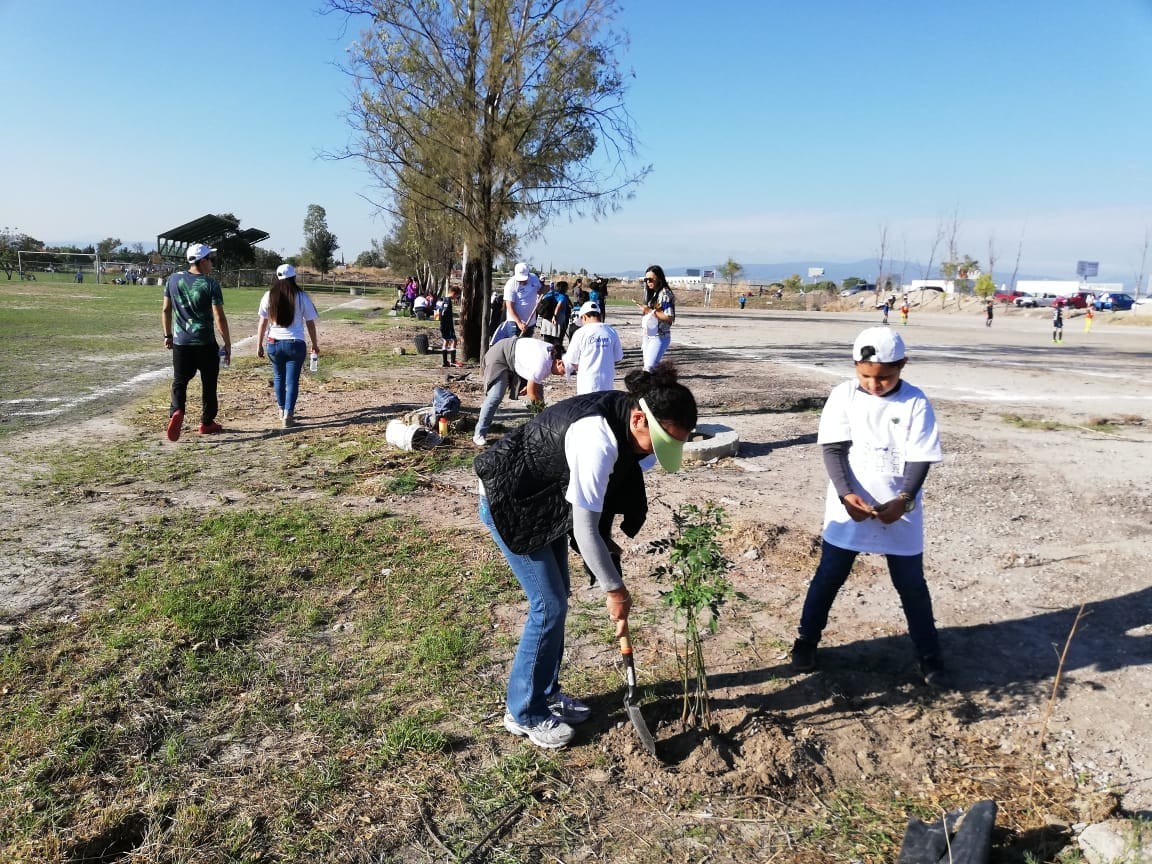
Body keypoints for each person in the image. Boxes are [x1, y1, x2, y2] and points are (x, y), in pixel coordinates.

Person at [474, 362, 697, 748]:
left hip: (543, 500)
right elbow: (584, 529)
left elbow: (594, 514)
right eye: (660, 442)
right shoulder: (599, 439)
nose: (658, 454)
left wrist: (608, 550)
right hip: (509, 501)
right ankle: (523, 711)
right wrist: (615, 589)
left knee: (557, 600)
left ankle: (546, 692)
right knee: (549, 605)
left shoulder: (624, 411)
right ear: (640, 420)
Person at [791, 327, 947, 687]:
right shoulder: (843, 396)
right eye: (866, 376)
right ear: (854, 367)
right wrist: (847, 495)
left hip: (899, 509)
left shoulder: (915, 402)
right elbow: (832, 450)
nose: (875, 385)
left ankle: (929, 655)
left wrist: (904, 499)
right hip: (850, 506)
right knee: (829, 575)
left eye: (885, 377)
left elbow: (921, 457)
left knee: (911, 584)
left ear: (902, 366)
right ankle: (805, 641)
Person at [162, 243, 232, 441]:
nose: (212, 263)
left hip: (181, 343)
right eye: (211, 259)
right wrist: (227, 343)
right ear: (202, 261)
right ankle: (207, 422)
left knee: (180, 381)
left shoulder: (173, 280)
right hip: (205, 343)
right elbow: (219, 317)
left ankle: (177, 411)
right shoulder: (210, 284)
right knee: (209, 384)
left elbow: (166, 310)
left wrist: (167, 335)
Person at [256, 264, 320, 429]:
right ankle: (288, 415)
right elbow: (310, 323)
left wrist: (259, 344)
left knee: (278, 378)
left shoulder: (268, 296)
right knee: (292, 381)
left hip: (274, 343)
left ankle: (280, 409)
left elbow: (262, 322)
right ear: (294, 278)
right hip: (295, 343)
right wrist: (314, 344)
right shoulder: (301, 296)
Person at [473, 336, 565, 446]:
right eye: (564, 372)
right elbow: (532, 392)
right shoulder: (543, 363)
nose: (562, 376)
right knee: (496, 395)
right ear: (559, 362)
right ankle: (479, 433)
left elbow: (532, 370)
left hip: (515, 355)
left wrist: (531, 386)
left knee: (538, 393)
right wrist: (542, 412)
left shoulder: (552, 355)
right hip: (500, 355)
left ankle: (541, 430)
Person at [562, 301, 623, 395]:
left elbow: (572, 360)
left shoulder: (580, 333)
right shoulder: (611, 331)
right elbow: (618, 358)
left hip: (587, 385)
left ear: (584, 317)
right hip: (607, 385)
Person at [640, 265, 676, 371]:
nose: (648, 282)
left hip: (660, 336)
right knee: (648, 367)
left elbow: (669, 317)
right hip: (649, 335)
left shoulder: (664, 294)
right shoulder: (653, 293)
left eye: (650, 279)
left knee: (649, 368)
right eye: (646, 280)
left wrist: (650, 312)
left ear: (659, 279)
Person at [497, 262, 543, 341]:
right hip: (514, 322)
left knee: (526, 345)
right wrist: (519, 322)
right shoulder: (510, 284)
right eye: (520, 279)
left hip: (530, 322)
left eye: (524, 279)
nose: (522, 281)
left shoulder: (534, 278)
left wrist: (545, 290)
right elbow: (509, 306)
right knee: (515, 346)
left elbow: (540, 290)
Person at [535, 280, 572, 349]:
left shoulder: (549, 294)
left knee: (546, 342)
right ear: (564, 288)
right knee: (557, 343)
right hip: (557, 322)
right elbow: (559, 306)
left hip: (546, 321)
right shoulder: (562, 297)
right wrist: (554, 316)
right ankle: (555, 357)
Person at [436, 286, 461, 368]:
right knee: (454, 340)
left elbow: (436, 310)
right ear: (454, 293)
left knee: (445, 341)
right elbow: (445, 311)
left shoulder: (441, 299)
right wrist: (446, 319)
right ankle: (453, 361)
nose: (456, 298)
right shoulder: (448, 300)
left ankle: (445, 362)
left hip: (442, 323)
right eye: (457, 296)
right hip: (447, 324)